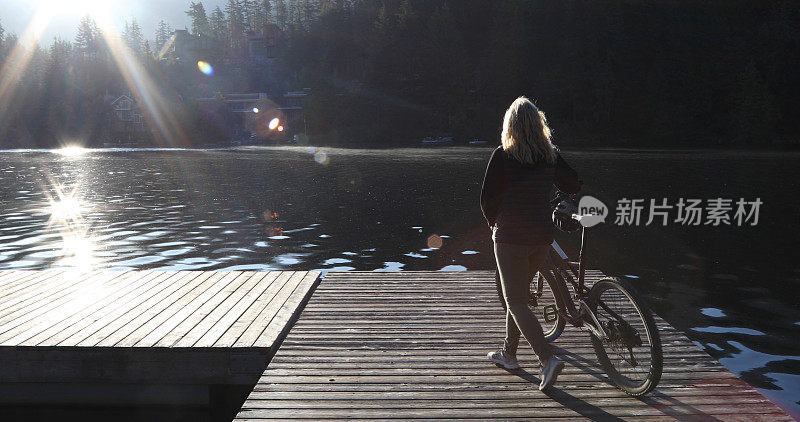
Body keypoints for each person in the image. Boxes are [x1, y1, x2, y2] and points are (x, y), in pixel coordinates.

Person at [480, 96, 582, 390]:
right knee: (521, 297)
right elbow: (574, 184)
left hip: (511, 237)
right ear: (539, 125)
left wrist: (493, 222)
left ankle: (547, 359)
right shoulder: (549, 156)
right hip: (541, 236)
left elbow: (487, 199)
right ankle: (509, 354)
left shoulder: (503, 155)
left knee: (515, 301)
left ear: (509, 125)